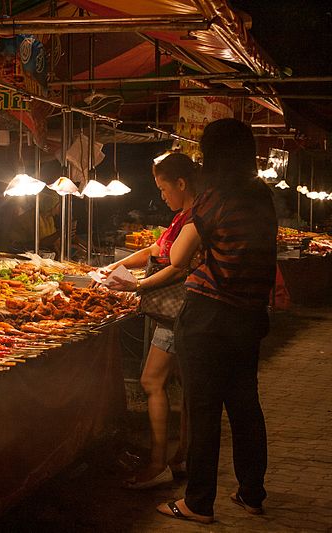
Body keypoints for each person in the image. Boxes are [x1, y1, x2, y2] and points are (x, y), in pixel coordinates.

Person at [156, 118, 276, 524]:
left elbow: (178, 258)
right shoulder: (261, 195)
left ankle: (198, 502)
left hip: (209, 317)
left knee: (203, 409)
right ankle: (252, 492)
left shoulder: (213, 196)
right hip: (249, 316)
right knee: (245, 405)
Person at [97, 153, 196, 489]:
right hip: (177, 314)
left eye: (164, 188)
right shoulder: (182, 217)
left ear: (181, 183)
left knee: (151, 381)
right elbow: (155, 250)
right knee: (187, 389)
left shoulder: (195, 219)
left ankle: (158, 463)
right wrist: (113, 267)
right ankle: (182, 457)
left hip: (177, 313)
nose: (162, 195)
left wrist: (137, 285)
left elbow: (178, 266)